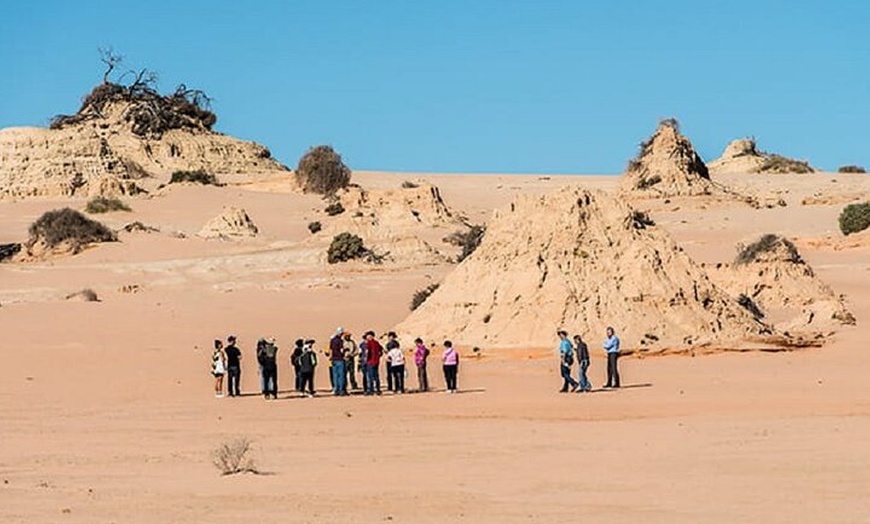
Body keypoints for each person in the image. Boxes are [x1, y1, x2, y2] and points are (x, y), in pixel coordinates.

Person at [363, 331, 383, 395]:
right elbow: (381, 350)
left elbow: (367, 352)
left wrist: (366, 359)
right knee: (376, 376)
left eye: (368, 336)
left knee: (371, 376)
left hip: (370, 362)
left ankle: (371, 390)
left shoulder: (369, 343)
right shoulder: (377, 343)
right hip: (376, 361)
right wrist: (378, 356)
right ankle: (378, 389)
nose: (367, 337)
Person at [330, 327, 348, 396]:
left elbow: (331, 350)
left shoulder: (332, 340)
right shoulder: (340, 341)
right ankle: (341, 390)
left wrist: (331, 358)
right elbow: (341, 350)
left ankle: (336, 389)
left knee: (335, 375)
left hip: (334, 359)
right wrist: (345, 350)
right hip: (340, 359)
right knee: (341, 375)